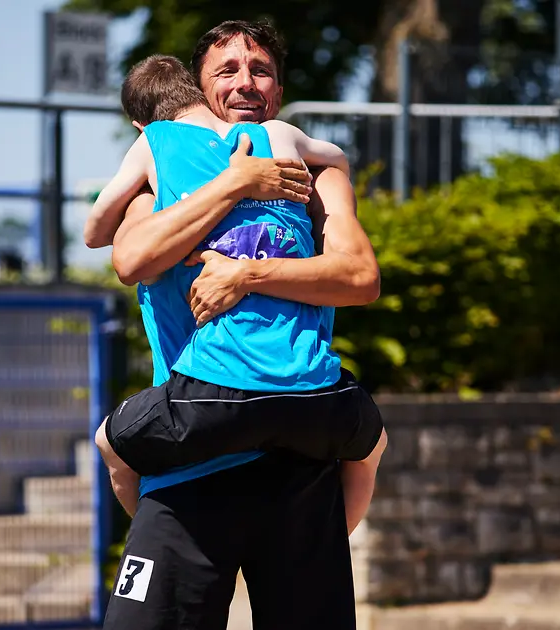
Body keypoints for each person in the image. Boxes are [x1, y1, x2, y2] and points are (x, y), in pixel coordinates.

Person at [88, 20, 381, 630]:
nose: (246, 82)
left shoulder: (313, 173)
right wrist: (236, 182)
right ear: (198, 90)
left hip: (293, 458)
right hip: (193, 462)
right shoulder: (162, 168)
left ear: (278, 87)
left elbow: (358, 277)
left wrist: (247, 275)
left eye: (261, 70)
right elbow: (130, 258)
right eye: (227, 70)